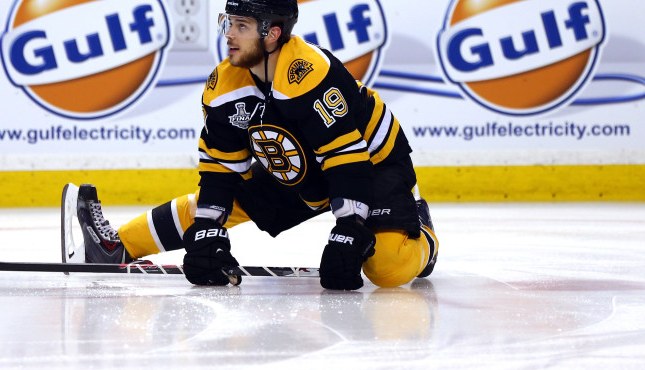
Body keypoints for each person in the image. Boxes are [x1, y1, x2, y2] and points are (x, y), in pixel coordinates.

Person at [74, 0, 438, 290]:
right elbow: (221, 170)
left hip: (372, 165)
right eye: (228, 22)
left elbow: (346, 158)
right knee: (225, 204)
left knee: (387, 267)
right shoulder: (225, 85)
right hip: (303, 166)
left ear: (272, 33)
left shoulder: (311, 74)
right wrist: (206, 228)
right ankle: (116, 246)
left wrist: (349, 228)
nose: (228, 34)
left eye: (241, 26)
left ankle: (422, 234)